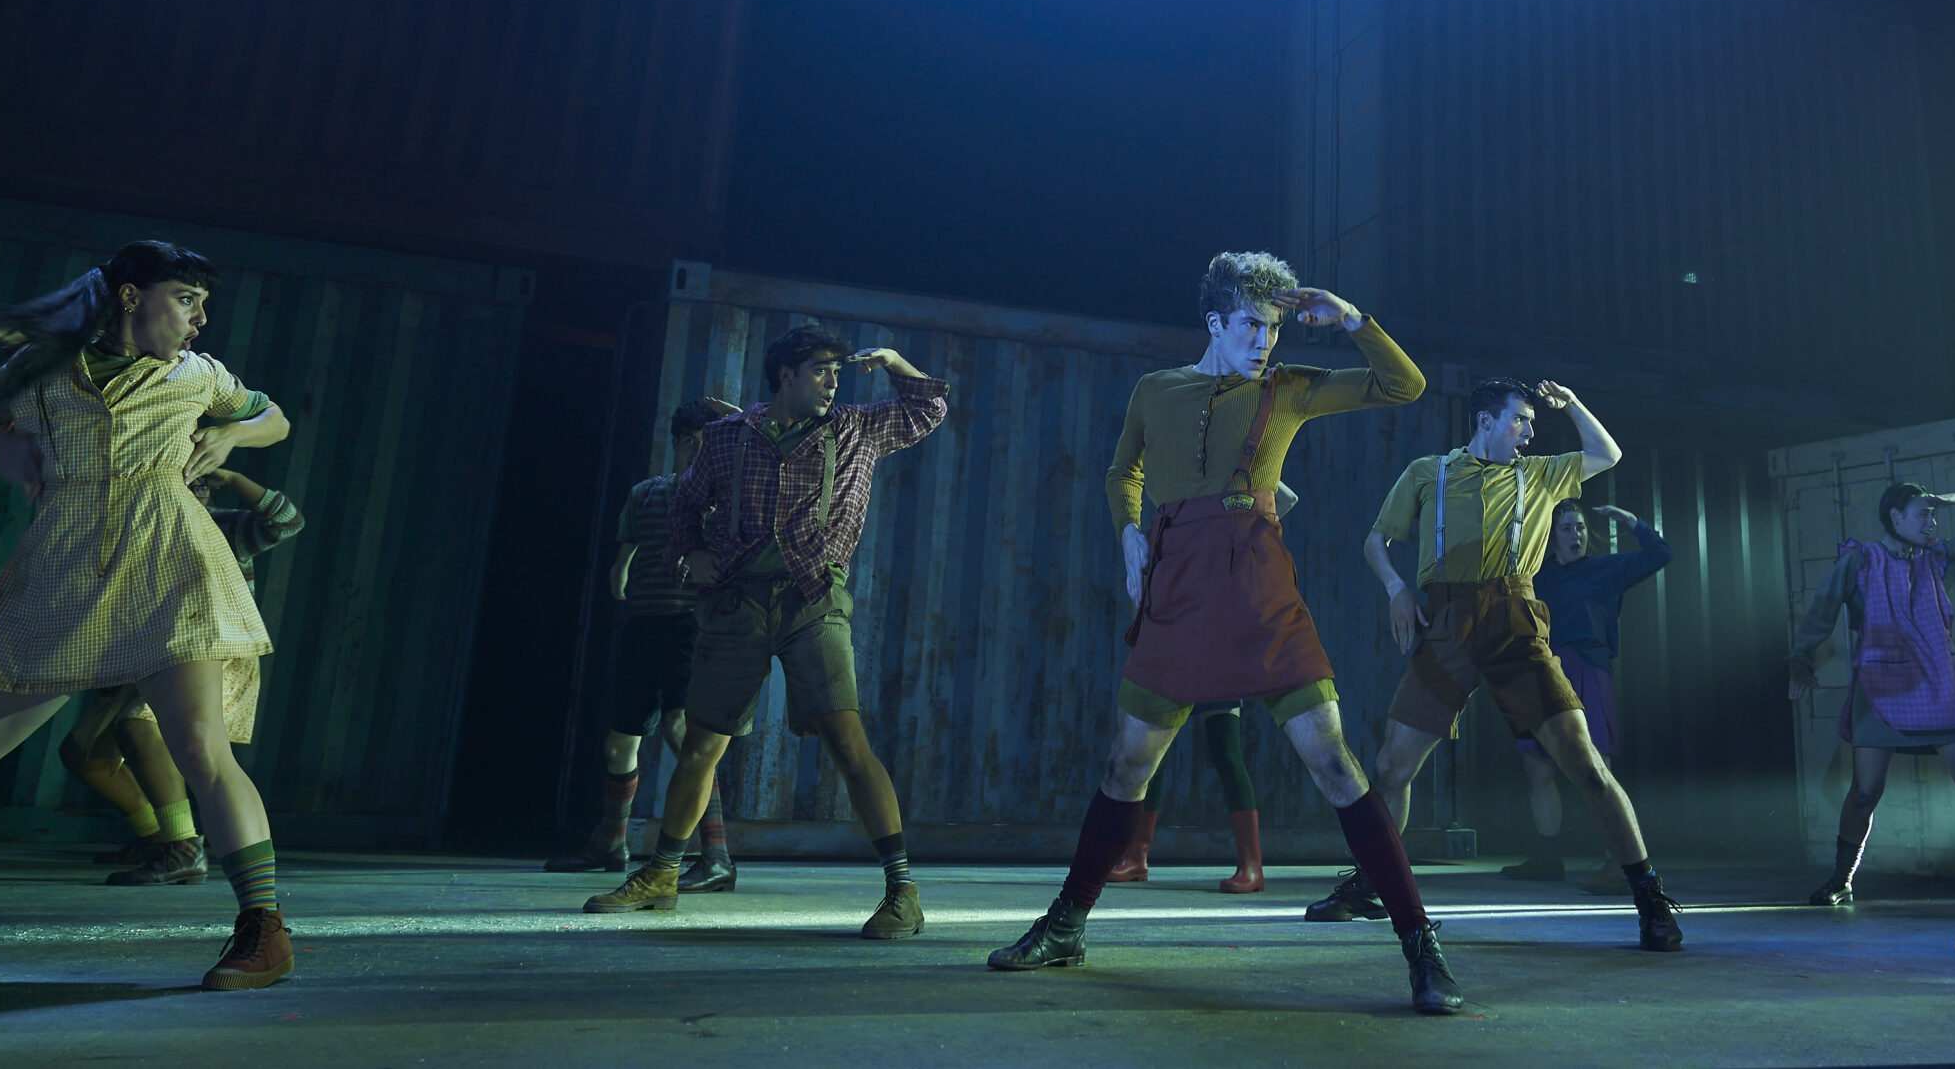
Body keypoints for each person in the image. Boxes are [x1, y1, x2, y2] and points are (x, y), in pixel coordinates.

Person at [988, 251, 1464, 1016]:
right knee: (1125, 764)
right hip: (1176, 583)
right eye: (1250, 325)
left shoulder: (1290, 388)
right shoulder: (1157, 389)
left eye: (1273, 328)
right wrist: (1130, 536)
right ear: (1215, 322)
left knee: (1333, 762)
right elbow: (1121, 473)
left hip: (1258, 584)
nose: (1264, 341)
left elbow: (1403, 385)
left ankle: (1421, 944)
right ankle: (1066, 926)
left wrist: (1350, 319)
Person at [0, 242, 298, 990]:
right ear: (132, 297)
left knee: (200, 747)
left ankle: (263, 931)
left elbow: (275, 418)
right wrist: (8, 454)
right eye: (186, 299)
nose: (200, 318)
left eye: (204, 304)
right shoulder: (41, 369)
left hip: (170, 565)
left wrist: (231, 433)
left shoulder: (198, 374)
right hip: (59, 573)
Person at [584, 325, 947, 938]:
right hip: (738, 605)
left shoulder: (856, 429)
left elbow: (929, 406)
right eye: (821, 370)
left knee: (848, 743)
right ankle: (662, 875)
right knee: (701, 745)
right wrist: (690, 551)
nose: (833, 382)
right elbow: (685, 501)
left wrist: (892, 361)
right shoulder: (729, 436)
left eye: (837, 371)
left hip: (814, 602)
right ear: (786, 375)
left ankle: (902, 892)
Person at [1311, 377, 1684, 954]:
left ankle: (1650, 897)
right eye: (1520, 420)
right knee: (1391, 766)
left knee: (1584, 762)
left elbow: (1606, 453)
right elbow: (1375, 542)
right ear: (1485, 421)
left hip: (1515, 618)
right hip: (1445, 622)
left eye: (1532, 422)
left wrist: (1573, 403)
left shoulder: (1541, 474)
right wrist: (1396, 589)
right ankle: (1370, 885)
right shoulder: (1429, 472)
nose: (1530, 432)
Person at [1788, 482, 1955, 916]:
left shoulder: (1938, 559)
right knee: (1864, 792)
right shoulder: (1860, 561)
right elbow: (1822, 609)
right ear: (1895, 517)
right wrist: (1801, 659)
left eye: (1933, 515)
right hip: (1880, 684)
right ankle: (1841, 881)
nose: (1931, 523)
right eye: (1922, 514)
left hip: (1937, 684)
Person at [69, 465, 306, 888]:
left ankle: (183, 848)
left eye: (196, 483)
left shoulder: (222, 528)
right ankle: (155, 835)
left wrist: (233, 479)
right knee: (84, 751)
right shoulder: (135, 536)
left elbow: (287, 521)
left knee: (139, 726)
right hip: (151, 655)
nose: (187, 492)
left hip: (212, 649)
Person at [547, 397, 739, 884]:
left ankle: (716, 853)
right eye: (691, 442)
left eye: (707, 444)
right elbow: (623, 560)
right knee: (619, 743)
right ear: (679, 443)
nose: (698, 452)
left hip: (691, 626)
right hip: (644, 625)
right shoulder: (645, 495)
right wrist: (621, 575)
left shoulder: (722, 501)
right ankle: (612, 843)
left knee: (682, 729)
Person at [1107, 484, 1297, 894]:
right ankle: (1136, 855)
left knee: (1226, 751)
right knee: (1149, 754)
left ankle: (1251, 865)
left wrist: (1246, 520)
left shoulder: (1226, 508)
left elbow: (1282, 497)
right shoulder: (1165, 522)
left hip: (1219, 645)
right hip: (1173, 644)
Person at [1507, 496, 1670, 892]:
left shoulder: (1606, 568)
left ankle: (1618, 863)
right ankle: (1548, 859)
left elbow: (1661, 554)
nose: (1576, 535)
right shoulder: (1537, 576)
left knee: (1597, 768)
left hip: (1588, 669)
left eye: (1580, 528)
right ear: (1553, 537)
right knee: (1537, 767)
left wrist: (1631, 520)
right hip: (1544, 671)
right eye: (1567, 529)